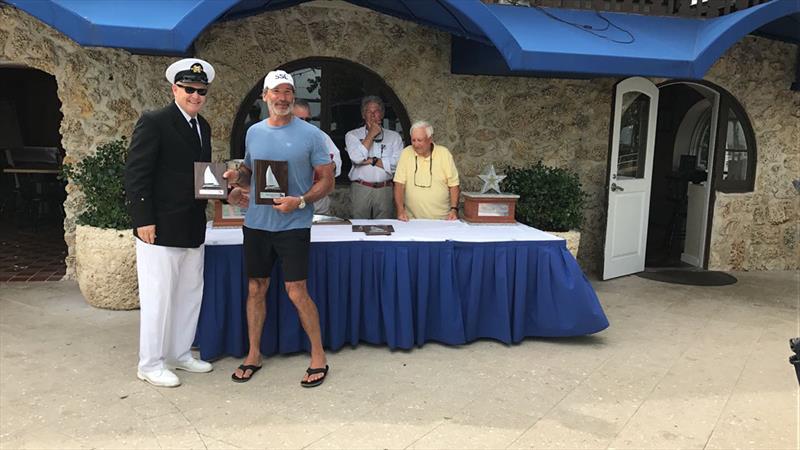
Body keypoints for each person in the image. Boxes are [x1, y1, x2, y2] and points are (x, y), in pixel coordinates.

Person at [225, 70, 334, 387]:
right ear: (265, 97)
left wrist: (299, 201)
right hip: (256, 225)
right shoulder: (254, 132)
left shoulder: (312, 135)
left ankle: (318, 357)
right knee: (255, 289)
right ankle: (254, 354)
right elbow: (249, 173)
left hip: (293, 225)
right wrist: (234, 182)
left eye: (288, 92)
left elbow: (326, 181)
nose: (283, 97)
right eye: (277, 92)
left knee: (296, 292)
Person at [124, 58, 216, 387]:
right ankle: (150, 363)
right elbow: (136, 174)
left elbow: (200, 176)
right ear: (174, 88)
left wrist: (225, 188)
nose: (195, 95)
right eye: (189, 89)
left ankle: (179, 354)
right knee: (158, 297)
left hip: (192, 225)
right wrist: (143, 219)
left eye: (201, 90)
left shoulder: (202, 126)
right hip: (160, 226)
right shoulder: (155, 121)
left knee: (189, 294)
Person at [344, 96, 403, 219]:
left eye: (376, 111)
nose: (372, 115)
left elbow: (397, 164)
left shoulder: (394, 137)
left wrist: (372, 160)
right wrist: (371, 134)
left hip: (384, 188)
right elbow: (357, 158)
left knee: (385, 228)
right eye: (368, 112)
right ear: (363, 115)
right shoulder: (352, 135)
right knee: (358, 227)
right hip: (361, 187)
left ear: (381, 114)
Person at [393, 121, 460, 221]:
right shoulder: (406, 153)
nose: (415, 144)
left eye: (420, 140)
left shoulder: (444, 153)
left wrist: (454, 209)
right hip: (411, 220)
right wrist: (400, 210)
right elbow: (399, 184)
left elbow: (454, 184)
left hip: (442, 219)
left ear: (430, 139)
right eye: (413, 140)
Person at [292, 99, 341, 215]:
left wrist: (329, 166)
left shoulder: (321, 136)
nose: (305, 123)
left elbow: (336, 160)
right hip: (291, 199)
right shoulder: (280, 137)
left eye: (308, 119)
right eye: (300, 119)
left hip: (318, 199)